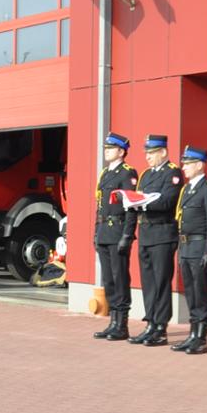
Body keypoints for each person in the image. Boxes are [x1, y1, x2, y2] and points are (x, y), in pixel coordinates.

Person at [128, 136, 183, 347]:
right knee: (148, 283)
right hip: (146, 233)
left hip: (163, 234)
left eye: (152, 153)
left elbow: (168, 201)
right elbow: (139, 197)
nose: (148, 157)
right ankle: (150, 323)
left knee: (161, 282)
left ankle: (160, 327)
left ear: (163, 152)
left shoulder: (172, 173)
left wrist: (143, 200)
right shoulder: (146, 174)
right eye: (147, 153)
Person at [171, 146, 207, 355]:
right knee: (190, 293)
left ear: (199, 165)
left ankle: (200, 339)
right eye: (184, 164)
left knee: (201, 293)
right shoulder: (186, 189)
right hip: (186, 247)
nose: (184, 167)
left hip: (200, 248)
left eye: (188, 164)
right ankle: (192, 335)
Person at [91, 133, 141, 340]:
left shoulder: (127, 173)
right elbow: (99, 205)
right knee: (108, 279)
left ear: (121, 152)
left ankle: (122, 324)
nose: (107, 151)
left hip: (118, 230)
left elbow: (131, 206)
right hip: (104, 231)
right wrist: (96, 232)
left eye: (111, 149)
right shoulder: (105, 173)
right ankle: (113, 322)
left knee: (119, 277)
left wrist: (128, 235)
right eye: (106, 148)